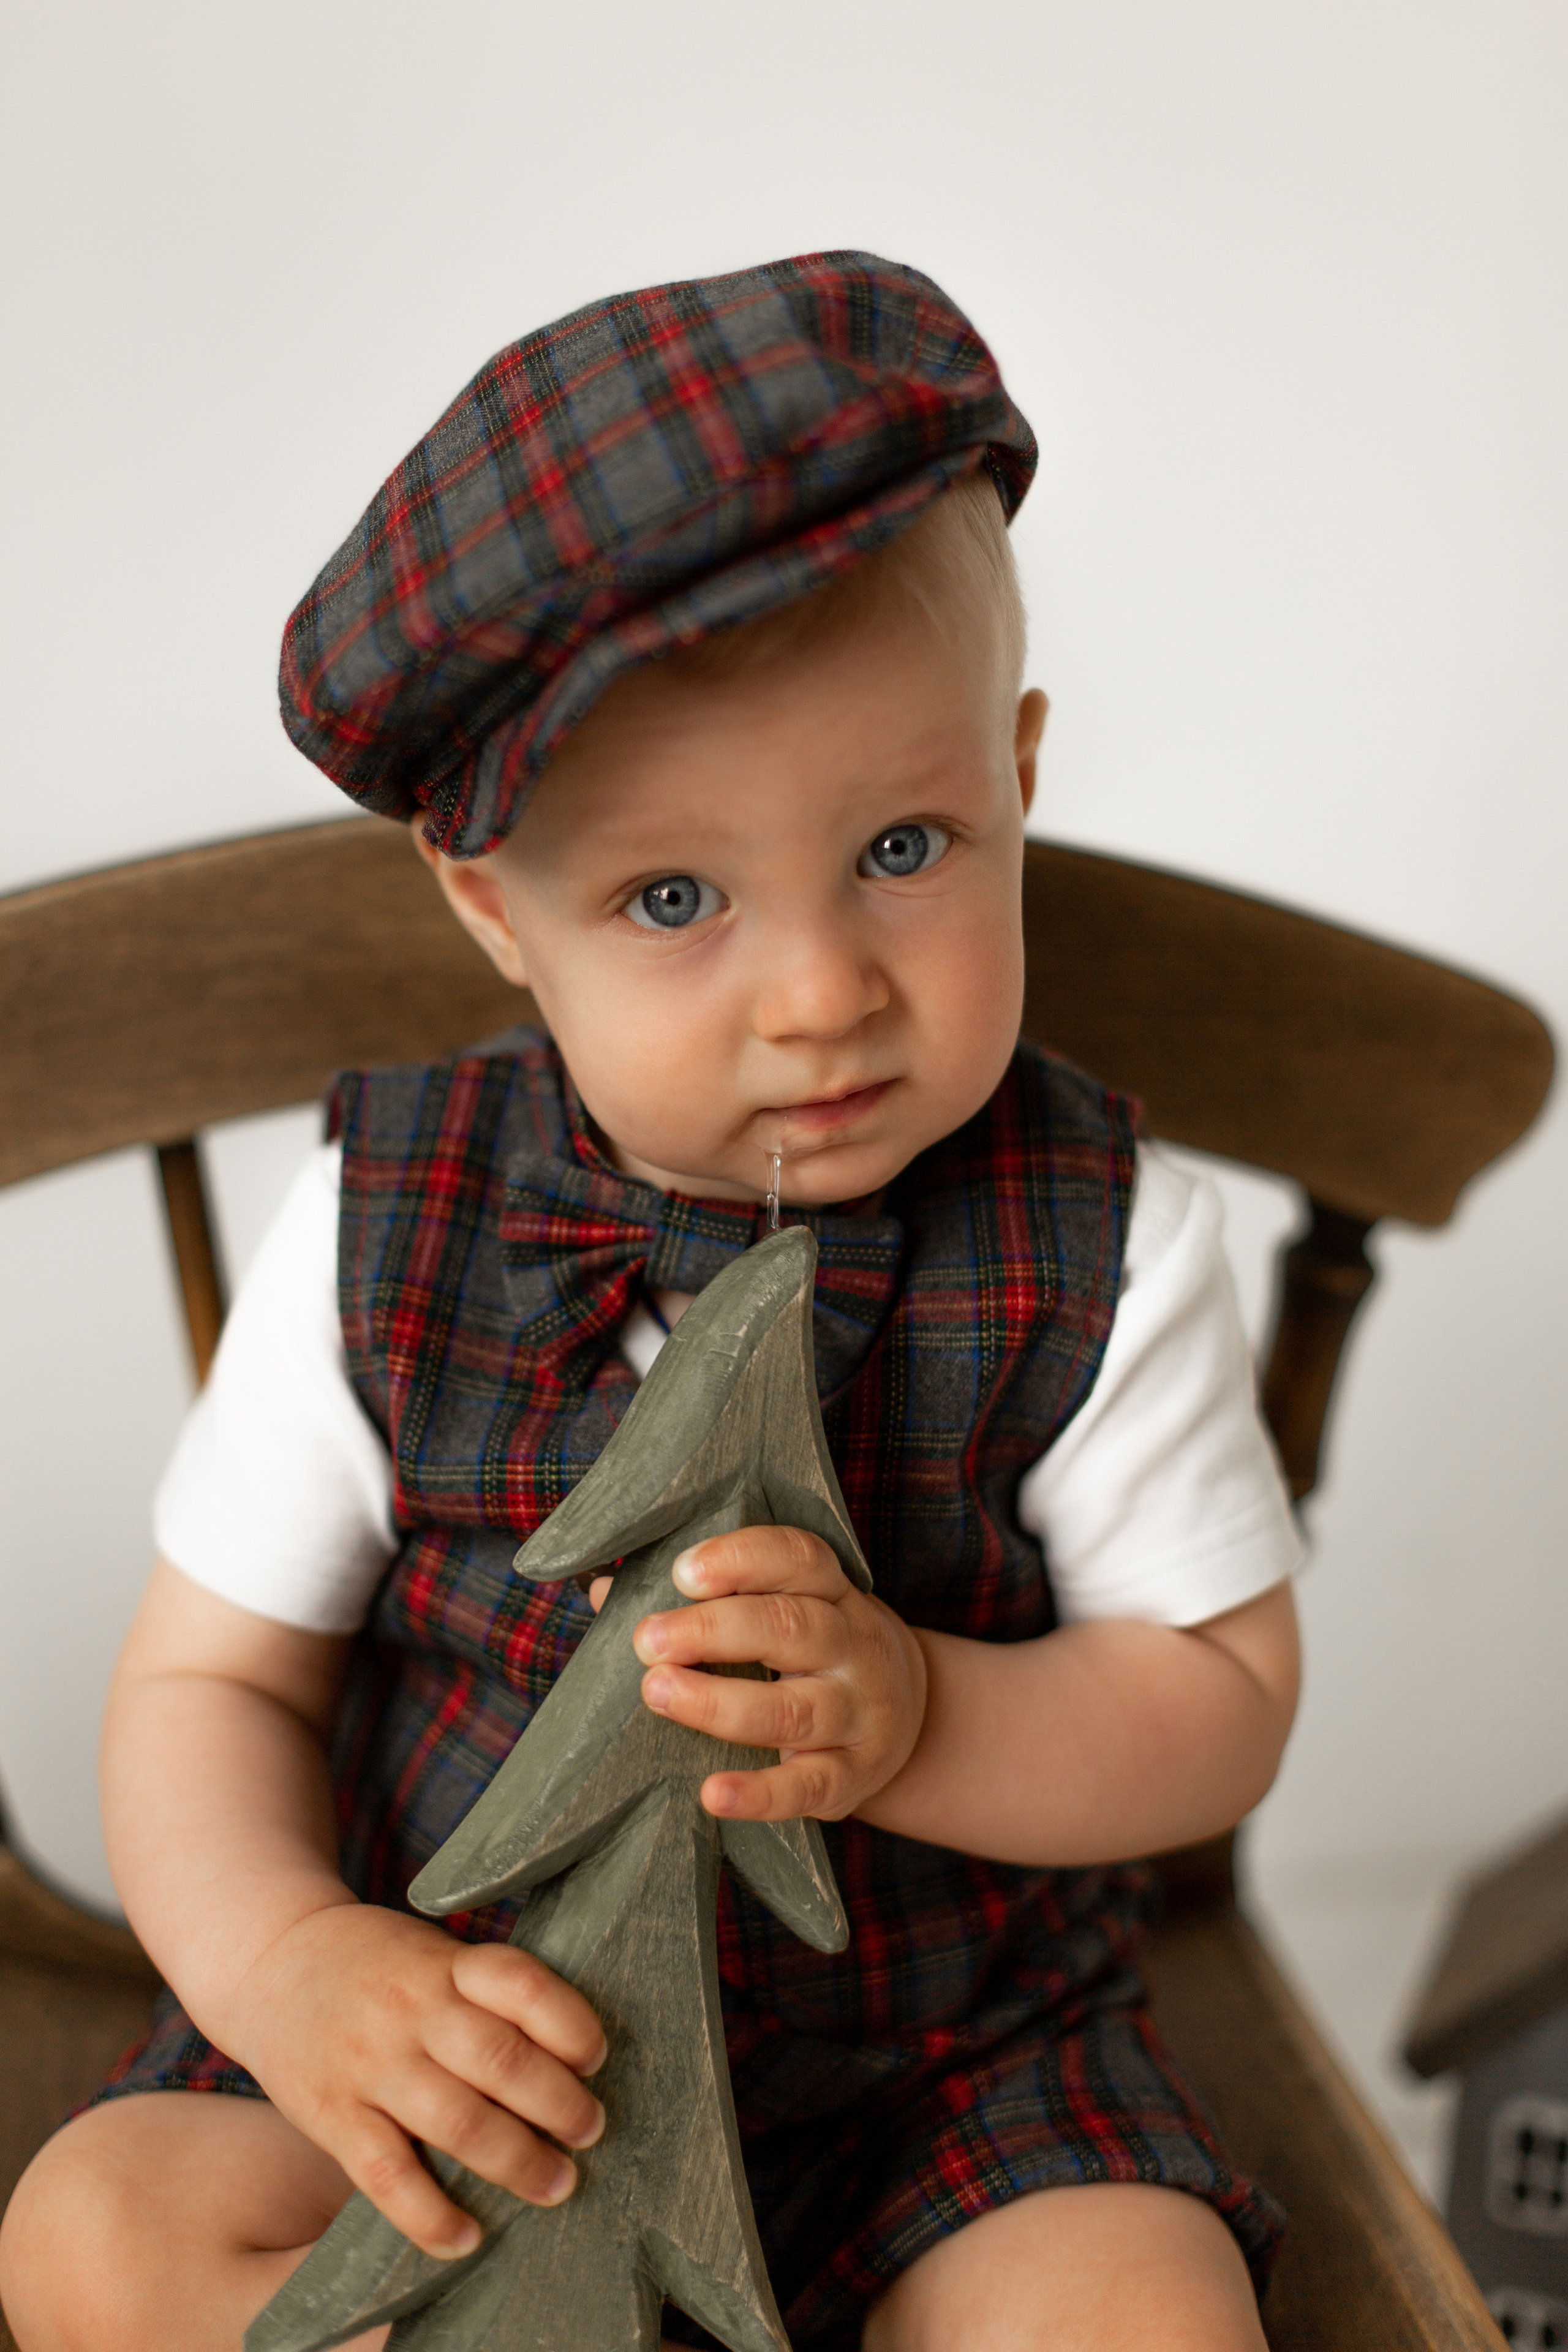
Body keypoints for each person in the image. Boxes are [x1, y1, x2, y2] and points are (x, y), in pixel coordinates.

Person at [0, 252, 1302, 2352]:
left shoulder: (1110, 1235)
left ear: (1022, 775)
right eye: (676, 899)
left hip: (940, 2079)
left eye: (907, 844)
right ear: (491, 908)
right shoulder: (380, 1218)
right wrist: (293, 1975)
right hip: (475, 2046)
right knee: (92, 2235)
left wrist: (929, 1715)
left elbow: (1220, 1700)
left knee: (1138, 2314)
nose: (820, 996)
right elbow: (202, 1694)